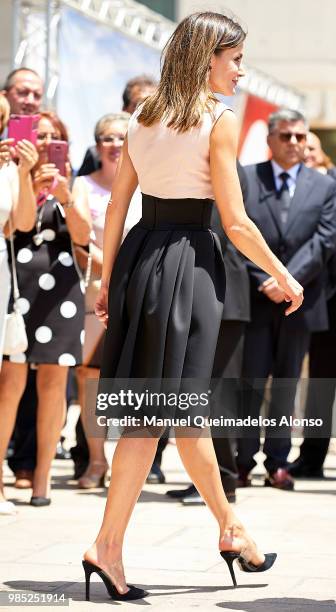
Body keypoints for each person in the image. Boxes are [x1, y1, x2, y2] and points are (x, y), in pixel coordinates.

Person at [82, 12, 303, 601]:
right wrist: (283, 274)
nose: (241, 70)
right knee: (172, 409)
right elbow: (234, 222)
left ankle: (227, 531)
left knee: (163, 412)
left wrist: (108, 281)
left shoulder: (142, 116)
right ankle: (128, 543)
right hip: (190, 266)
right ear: (208, 59)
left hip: (138, 261)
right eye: (235, 59)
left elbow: (115, 208)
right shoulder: (217, 120)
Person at [236, 110, 336, 491]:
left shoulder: (324, 185)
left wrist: (288, 281)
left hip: (300, 300)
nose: (294, 143)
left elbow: (324, 240)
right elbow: (236, 229)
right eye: (286, 136)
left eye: (299, 136)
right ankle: (242, 461)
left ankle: (278, 462)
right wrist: (266, 279)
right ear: (270, 139)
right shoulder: (246, 178)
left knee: (287, 383)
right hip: (256, 297)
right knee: (250, 381)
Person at [0, 111, 91, 508]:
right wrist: (23, 173)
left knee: (55, 386)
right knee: (10, 385)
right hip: (18, 288)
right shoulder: (11, 172)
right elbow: (20, 225)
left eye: (55, 136)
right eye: (40, 136)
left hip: (63, 293)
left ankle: (42, 480)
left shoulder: (72, 182)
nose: (46, 143)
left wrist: (65, 194)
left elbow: (85, 235)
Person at [166, 162, 250, 505]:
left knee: (218, 395)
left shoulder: (223, 161)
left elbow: (221, 229)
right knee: (201, 393)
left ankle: (225, 483)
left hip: (222, 294)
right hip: (208, 291)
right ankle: (207, 481)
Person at [72, 112, 141, 489]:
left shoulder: (149, 184)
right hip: (95, 294)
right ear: (97, 146)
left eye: (122, 137)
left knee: (139, 378)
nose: (116, 145)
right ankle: (97, 462)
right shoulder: (82, 185)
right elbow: (80, 241)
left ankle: (131, 468)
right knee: (92, 380)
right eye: (108, 138)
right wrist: (112, 271)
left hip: (141, 292)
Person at [1, 67, 45, 490]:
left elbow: (23, 224)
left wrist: (27, 173)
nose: (29, 99)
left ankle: (13, 466)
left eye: (37, 93)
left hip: (17, 272)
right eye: (22, 91)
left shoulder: (37, 148)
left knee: (18, 375)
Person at [288, 134, 336, 478]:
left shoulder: (329, 188)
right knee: (321, 382)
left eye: (311, 149)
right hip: (324, 303)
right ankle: (312, 456)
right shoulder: (296, 193)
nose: (304, 154)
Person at [77, 75, 157, 176]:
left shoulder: (169, 149)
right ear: (125, 110)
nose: (146, 111)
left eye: (153, 105)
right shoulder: (99, 154)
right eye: (138, 105)